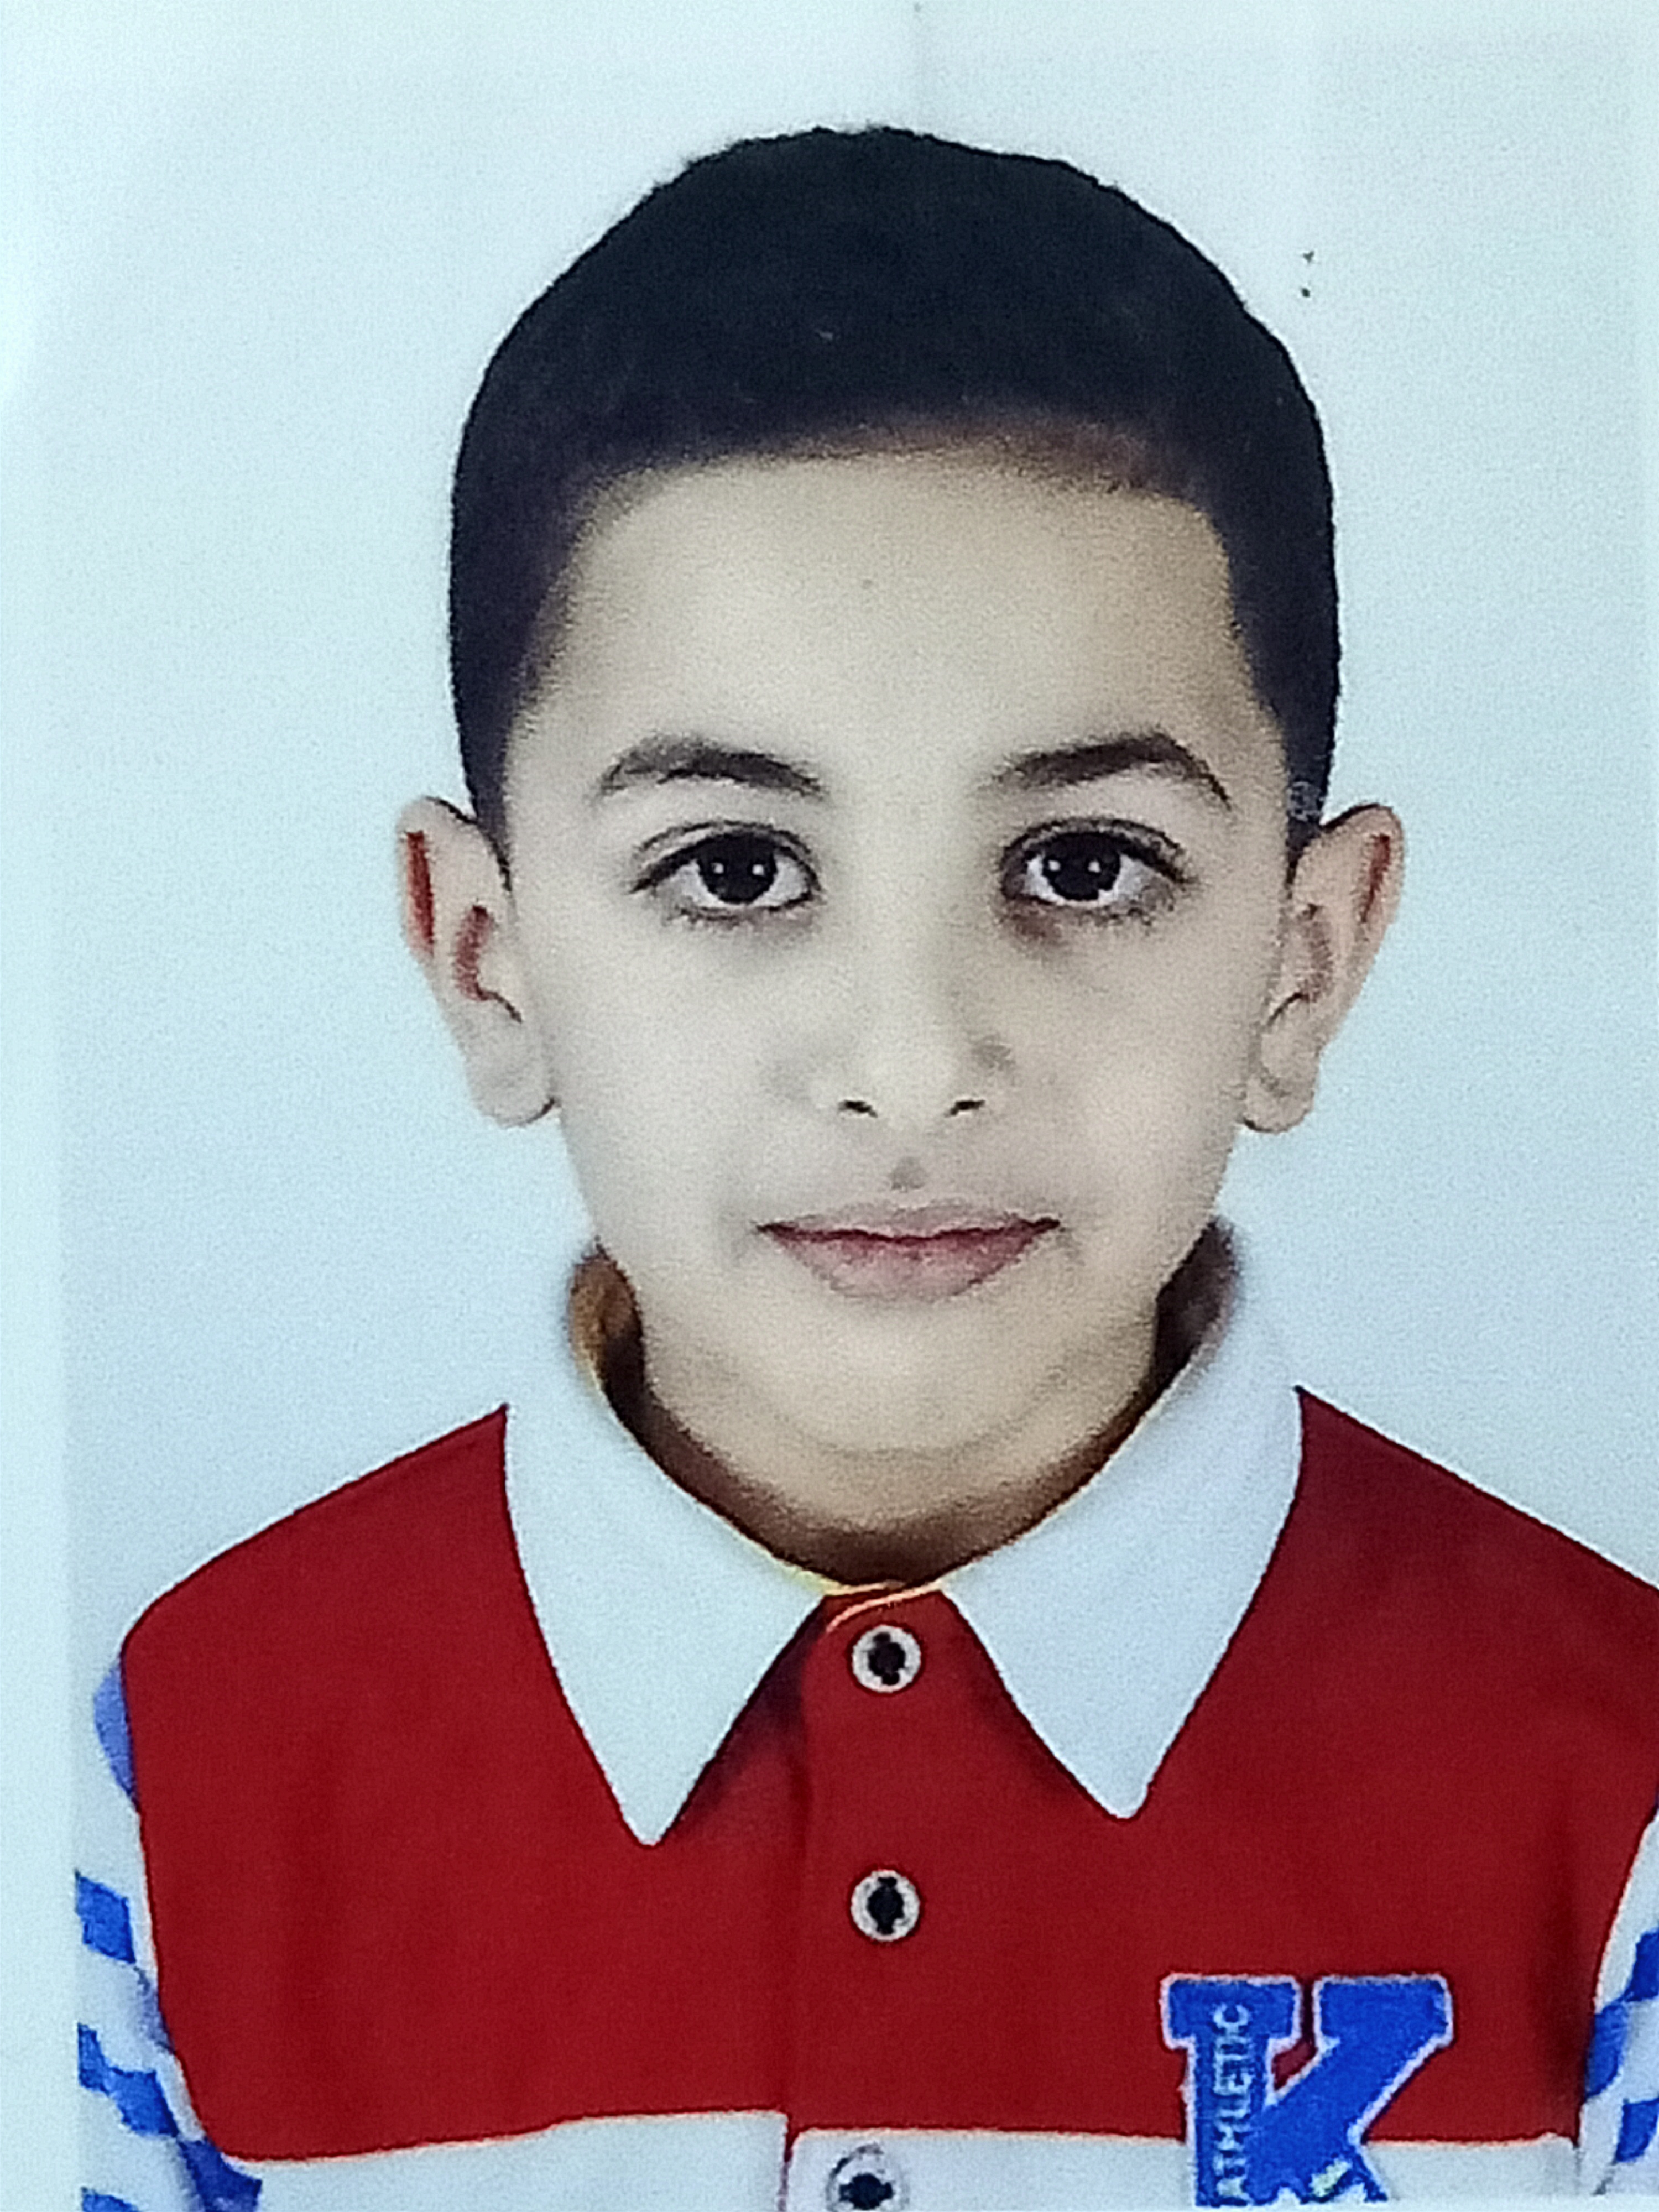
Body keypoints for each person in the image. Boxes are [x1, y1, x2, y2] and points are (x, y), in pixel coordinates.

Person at [77, 126, 1658, 2211]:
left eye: (1084, 866)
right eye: (736, 869)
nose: (912, 1070)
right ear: (487, 957)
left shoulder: (1617, 1795)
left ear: (1303, 963)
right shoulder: (179, 1771)